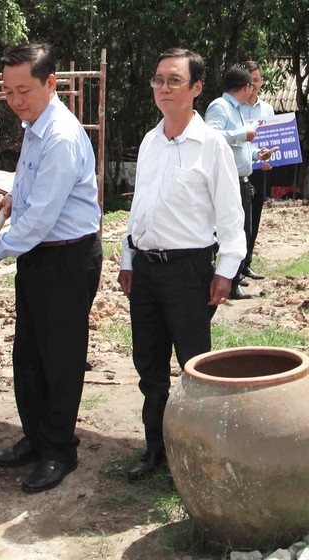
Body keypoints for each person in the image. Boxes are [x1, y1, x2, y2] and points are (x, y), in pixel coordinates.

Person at [0, 44, 103, 493]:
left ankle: (60, 451)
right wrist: (13, 199)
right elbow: (34, 194)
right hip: (39, 256)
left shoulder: (61, 135)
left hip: (67, 256)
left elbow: (44, 217)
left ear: (51, 83)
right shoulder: (34, 126)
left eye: (24, 90)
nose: (16, 100)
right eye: (8, 92)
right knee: (29, 353)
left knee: (59, 358)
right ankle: (36, 437)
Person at [119, 48, 246, 481]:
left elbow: (231, 215)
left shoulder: (210, 145)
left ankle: (200, 456)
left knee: (195, 366)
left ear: (195, 88)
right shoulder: (151, 141)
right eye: (158, 80)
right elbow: (140, 208)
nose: (164, 88)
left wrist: (226, 270)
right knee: (148, 366)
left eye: (174, 80)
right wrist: (128, 257)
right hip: (147, 270)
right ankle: (156, 450)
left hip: (190, 271)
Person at [204, 64, 274, 299]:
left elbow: (241, 147)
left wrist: (256, 154)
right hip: (227, 181)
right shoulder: (220, 107)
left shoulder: (238, 110)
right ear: (245, 86)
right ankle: (223, 281)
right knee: (228, 231)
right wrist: (241, 135)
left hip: (242, 179)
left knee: (242, 231)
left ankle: (233, 280)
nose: (253, 89)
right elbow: (210, 136)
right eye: (251, 85)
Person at [240, 60, 276, 282]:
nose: (253, 85)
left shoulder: (268, 109)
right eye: (249, 81)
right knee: (239, 220)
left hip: (260, 170)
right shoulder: (237, 107)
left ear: (262, 81)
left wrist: (272, 160)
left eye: (256, 80)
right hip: (241, 170)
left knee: (255, 218)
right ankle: (235, 268)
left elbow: (274, 141)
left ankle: (247, 264)